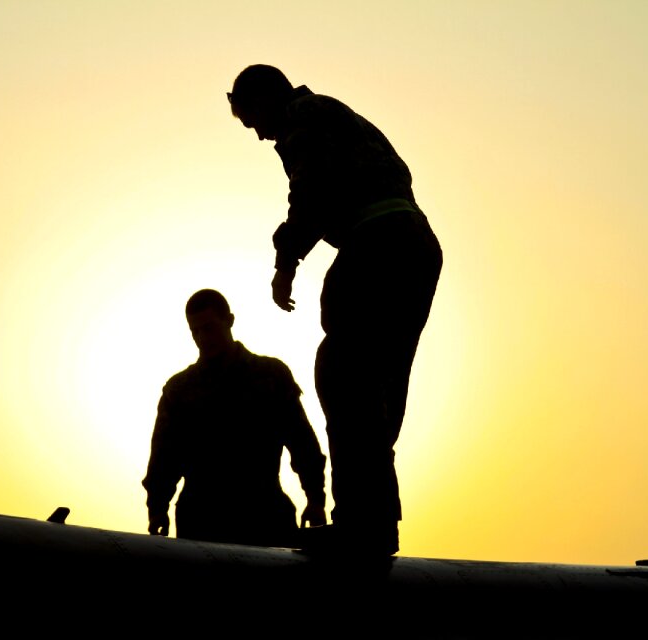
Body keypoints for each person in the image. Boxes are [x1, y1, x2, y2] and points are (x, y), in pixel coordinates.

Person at [227, 65, 443, 555]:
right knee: (379, 387)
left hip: (379, 243)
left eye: (253, 119)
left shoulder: (303, 117)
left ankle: (362, 524)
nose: (261, 135)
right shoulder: (337, 115)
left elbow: (311, 187)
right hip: (415, 245)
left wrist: (287, 259)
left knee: (345, 375)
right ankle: (375, 522)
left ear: (266, 99)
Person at [142, 289, 327, 547]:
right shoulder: (179, 390)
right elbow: (164, 457)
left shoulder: (271, 376)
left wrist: (315, 499)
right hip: (202, 523)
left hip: (264, 517)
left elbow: (302, 442)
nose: (202, 338)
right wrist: (157, 508)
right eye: (195, 331)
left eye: (209, 328)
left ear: (229, 320)